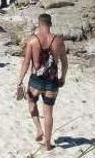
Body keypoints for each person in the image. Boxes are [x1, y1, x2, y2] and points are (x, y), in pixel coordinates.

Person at [17, 13, 68, 151]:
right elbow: (64, 62)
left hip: (35, 81)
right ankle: (47, 143)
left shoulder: (32, 40)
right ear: (50, 24)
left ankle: (39, 129)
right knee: (48, 113)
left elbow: (26, 62)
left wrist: (20, 80)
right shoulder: (58, 41)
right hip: (52, 82)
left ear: (39, 24)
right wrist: (62, 77)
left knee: (31, 102)